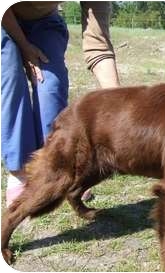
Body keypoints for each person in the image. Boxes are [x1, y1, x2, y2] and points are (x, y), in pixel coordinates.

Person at [1, 1, 120, 207]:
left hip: (44, 22)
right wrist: (24, 47)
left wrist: (120, 104)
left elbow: (98, 46)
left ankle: (57, 167)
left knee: (51, 86)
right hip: (3, 19)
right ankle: (19, 171)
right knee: (11, 78)